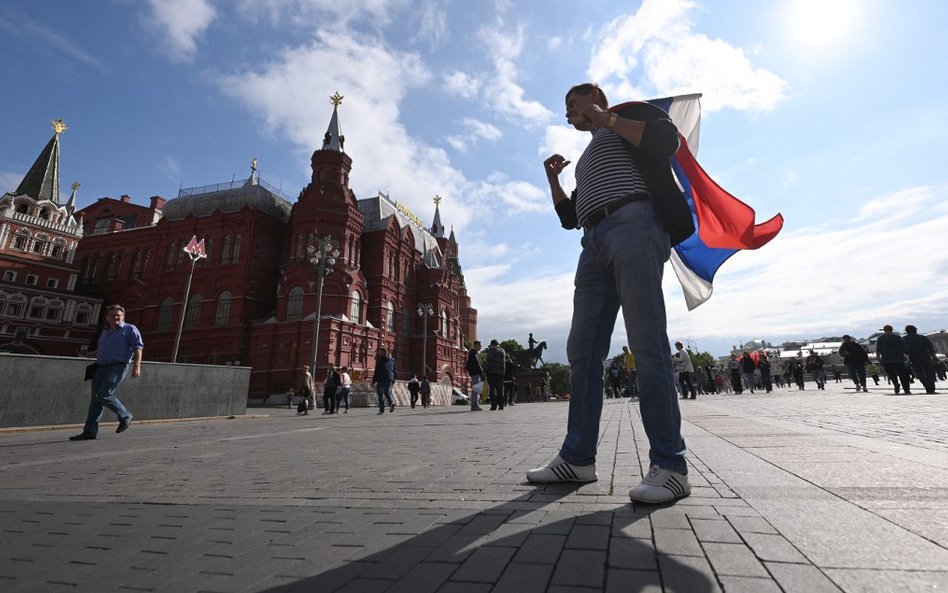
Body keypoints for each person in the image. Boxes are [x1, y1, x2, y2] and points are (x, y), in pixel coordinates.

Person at [527, 82, 691, 504]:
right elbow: (570, 216)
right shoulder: (588, 157)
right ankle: (577, 459)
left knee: (647, 342)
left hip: (634, 224)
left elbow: (665, 141)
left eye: (571, 102)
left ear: (593, 97)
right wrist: (554, 180)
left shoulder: (630, 116)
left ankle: (671, 465)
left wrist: (604, 118)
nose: (566, 111)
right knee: (582, 350)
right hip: (593, 240)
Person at [70, 304, 143, 441]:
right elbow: (103, 351)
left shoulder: (130, 329)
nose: (116, 317)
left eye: (119, 315)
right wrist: (88, 354)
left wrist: (136, 366)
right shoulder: (106, 331)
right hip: (100, 367)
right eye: (113, 315)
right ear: (107, 317)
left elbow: (138, 348)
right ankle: (89, 432)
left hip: (117, 367)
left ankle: (125, 415)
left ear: (123, 317)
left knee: (104, 395)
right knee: (95, 401)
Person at [876, 325, 912, 394]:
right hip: (899, 359)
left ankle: (895, 383)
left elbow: (878, 350)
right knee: (902, 375)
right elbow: (906, 348)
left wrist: (879, 360)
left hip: (887, 360)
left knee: (891, 374)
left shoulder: (880, 338)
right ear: (892, 330)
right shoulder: (898, 337)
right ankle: (906, 389)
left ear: (884, 330)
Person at [904, 325, 937, 394]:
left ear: (906, 331)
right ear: (915, 330)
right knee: (929, 372)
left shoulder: (904, 339)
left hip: (914, 358)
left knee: (919, 373)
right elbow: (930, 348)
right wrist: (933, 356)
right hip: (925, 357)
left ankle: (926, 386)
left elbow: (905, 350)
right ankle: (932, 387)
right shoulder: (923, 337)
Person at [372, 347, 397, 413]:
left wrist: (374, 380)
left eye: (380, 352)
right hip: (390, 378)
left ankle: (381, 410)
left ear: (383, 352)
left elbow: (377, 370)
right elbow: (395, 371)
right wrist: (394, 379)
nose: (378, 353)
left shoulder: (380, 359)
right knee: (387, 392)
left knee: (380, 394)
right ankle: (391, 402)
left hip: (381, 378)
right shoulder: (392, 360)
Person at [484, 339, 507, 410]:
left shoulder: (491, 350)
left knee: (493, 389)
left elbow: (489, 362)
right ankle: (501, 405)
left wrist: (485, 370)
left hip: (492, 373)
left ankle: (494, 406)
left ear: (492, 344)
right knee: (500, 389)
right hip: (501, 373)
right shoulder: (503, 351)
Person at [466, 340, 485, 411]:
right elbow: (469, 365)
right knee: (476, 390)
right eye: (479, 345)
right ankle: (475, 405)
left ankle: (474, 404)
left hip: (476, 374)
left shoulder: (474, 353)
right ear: (475, 345)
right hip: (476, 374)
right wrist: (472, 373)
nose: (480, 347)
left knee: (476, 389)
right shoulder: (473, 354)